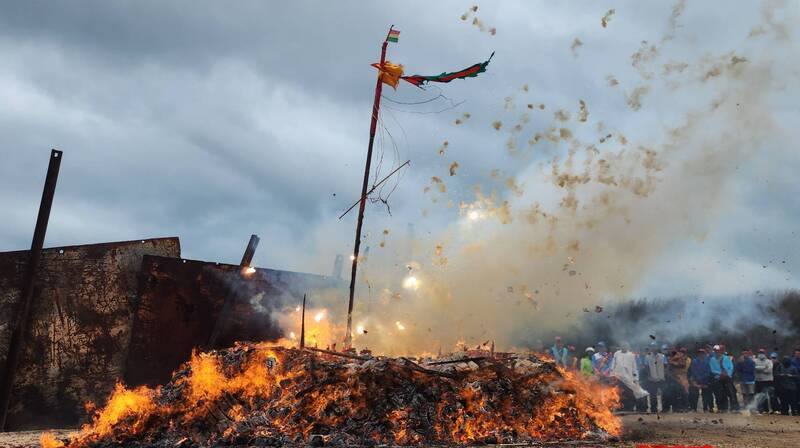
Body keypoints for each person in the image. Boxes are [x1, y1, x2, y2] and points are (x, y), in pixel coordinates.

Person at [612, 342, 648, 411]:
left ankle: (629, 408)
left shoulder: (631, 355)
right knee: (620, 393)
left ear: (628, 347)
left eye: (625, 346)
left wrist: (636, 378)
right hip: (619, 378)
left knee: (629, 393)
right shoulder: (616, 354)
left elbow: (634, 368)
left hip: (629, 378)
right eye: (622, 346)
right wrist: (612, 374)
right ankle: (620, 408)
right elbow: (613, 364)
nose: (624, 347)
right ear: (620, 347)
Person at [708, 345, 733, 412]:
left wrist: (727, 374)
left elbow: (730, 367)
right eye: (715, 351)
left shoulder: (726, 358)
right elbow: (712, 369)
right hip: (717, 378)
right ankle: (720, 408)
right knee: (718, 393)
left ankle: (726, 408)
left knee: (728, 393)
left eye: (718, 350)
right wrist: (720, 374)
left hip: (727, 378)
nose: (717, 352)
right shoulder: (712, 359)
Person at [644, 342, 667, 413]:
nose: (654, 348)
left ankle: (665, 409)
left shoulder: (663, 356)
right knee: (652, 394)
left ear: (657, 348)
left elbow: (666, 366)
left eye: (655, 347)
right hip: (652, 378)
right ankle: (654, 409)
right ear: (651, 348)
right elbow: (646, 367)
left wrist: (664, 375)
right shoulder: (647, 357)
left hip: (661, 377)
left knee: (664, 393)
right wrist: (649, 376)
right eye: (652, 347)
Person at [667, 347, 690, 412]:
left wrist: (673, 362)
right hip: (674, 378)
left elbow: (682, 365)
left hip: (682, 377)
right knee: (676, 393)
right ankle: (676, 408)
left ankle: (685, 407)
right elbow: (669, 367)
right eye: (681, 351)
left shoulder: (686, 358)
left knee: (685, 392)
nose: (682, 353)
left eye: (684, 352)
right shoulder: (674, 358)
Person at [754, 348, 775, 414]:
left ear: (765, 353)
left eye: (762, 353)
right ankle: (759, 409)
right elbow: (753, 368)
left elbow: (769, 370)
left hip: (767, 381)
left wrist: (759, 368)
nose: (761, 354)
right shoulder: (754, 361)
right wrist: (764, 368)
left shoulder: (769, 361)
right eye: (760, 352)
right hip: (758, 380)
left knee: (766, 396)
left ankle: (769, 409)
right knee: (758, 396)